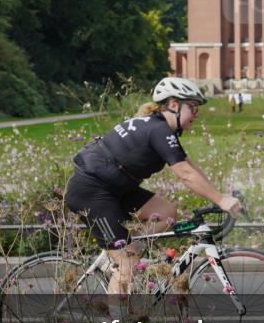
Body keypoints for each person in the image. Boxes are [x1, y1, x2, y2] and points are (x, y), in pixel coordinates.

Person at [65, 77, 241, 296]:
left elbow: (189, 167)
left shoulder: (159, 128)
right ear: (174, 105)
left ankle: (127, 254)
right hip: (92, 191)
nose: (196, 114)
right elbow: (185, 175)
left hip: (116, 188)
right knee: (127, 265)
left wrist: (219, 196)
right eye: (193, 107)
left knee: (167, 212)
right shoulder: (158, 130)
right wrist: (222, 200)